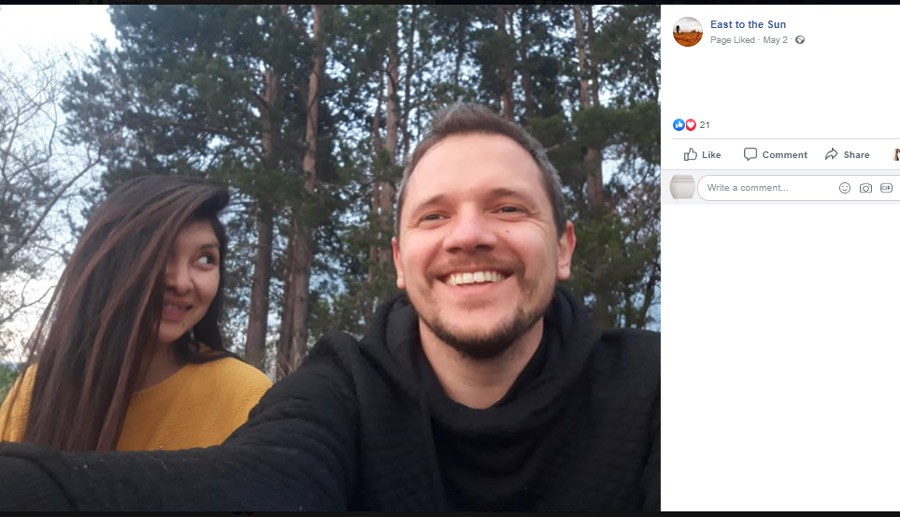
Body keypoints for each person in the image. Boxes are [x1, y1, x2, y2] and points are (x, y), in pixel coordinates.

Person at [0, 103, 659, 511]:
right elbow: (260, 481)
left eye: (507, 207)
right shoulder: (343, 388)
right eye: (434, 215)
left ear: (564, 247)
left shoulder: (662, 389)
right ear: (400, 260)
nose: (467, 234)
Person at [0, 175, 271, 452]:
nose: (181, 283)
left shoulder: (246, 398)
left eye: (205, 259)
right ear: (110, 264)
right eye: (161, 254)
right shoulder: (37, 391)